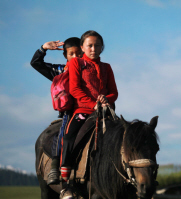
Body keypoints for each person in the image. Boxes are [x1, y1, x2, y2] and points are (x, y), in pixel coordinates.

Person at [60, 30, 118, 198]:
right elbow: (75, 89)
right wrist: (93, 104)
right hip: (83, 110)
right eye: (90, 45)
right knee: (70, 136)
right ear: (82, 47)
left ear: (102, 48)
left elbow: (114, 92)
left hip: (105, 112)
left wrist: (106, 99)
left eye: (97, 45)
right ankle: (66, 181)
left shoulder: (107, 67)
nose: (93, 48)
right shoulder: (76, 63)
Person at [30, 37, 82, 185]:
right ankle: (54, 166)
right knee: (63, 132)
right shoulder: (59, 71)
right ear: (65, 56)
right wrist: (43, 48)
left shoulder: (90, 70)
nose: (76, 57)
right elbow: (35, 63)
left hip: (90, 110)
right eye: (71, 54)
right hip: (70, 113)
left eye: (79, 53)